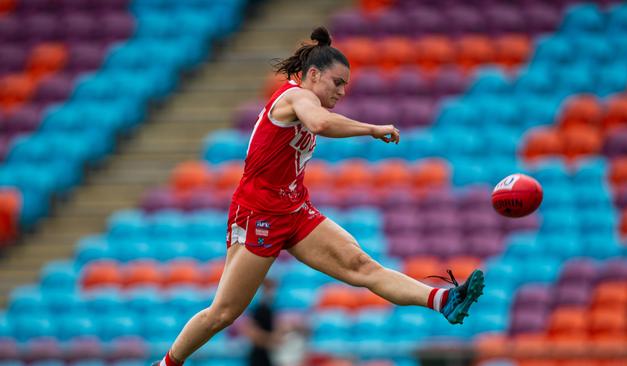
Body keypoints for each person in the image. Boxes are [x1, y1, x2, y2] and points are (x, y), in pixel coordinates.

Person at [153, 26, 484, 366]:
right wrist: (372, 129)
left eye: (345, 86)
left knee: (362, 266)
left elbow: (320, 121)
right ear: (313, 74)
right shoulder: (295, 96)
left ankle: (444, 300)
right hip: (258, 214)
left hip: (294, 210)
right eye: (336, 83)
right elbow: (321, 124)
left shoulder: (309, 100)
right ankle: (165, 364)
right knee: (223, 313)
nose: (341, 91)